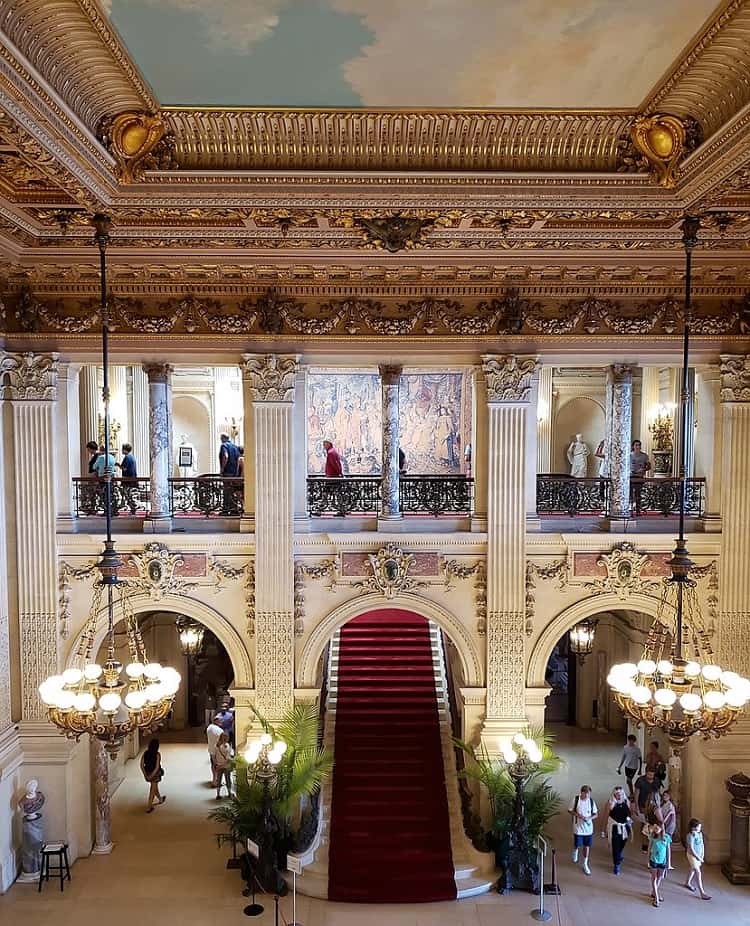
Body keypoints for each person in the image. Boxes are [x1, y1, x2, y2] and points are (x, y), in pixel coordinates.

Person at [569, 784, 597, 875]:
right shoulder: (576, 800)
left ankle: (585, 863)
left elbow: (596, 814)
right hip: (578, 828)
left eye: (589, 795)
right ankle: (575, 850)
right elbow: (570, 810)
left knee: (587, 846)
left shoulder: (592, 801)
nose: (587, 796)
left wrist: (589, 818)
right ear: (582, 793)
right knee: (578, 844)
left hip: (588, 829)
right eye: (586, 794)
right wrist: (578, 815)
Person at [634, 768, 661, 851]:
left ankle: (653, 842)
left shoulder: (656, 780)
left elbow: (658, 792)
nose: (651, 776)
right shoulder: (640, 781)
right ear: (646, 773)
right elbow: (636, 794)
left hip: (654, 806)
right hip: (643, 806)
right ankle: (644, 844)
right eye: (649, 774)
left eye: (652, 775)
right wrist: (636, 806)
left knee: (654, 824)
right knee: (644, 825)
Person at [606, 785, 632, 875]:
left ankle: (619, 853)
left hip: (625, 827)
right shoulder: (611, 803)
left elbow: (629, 813)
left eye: (620, 794)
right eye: (617, 794)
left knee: (623, 843)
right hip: (615, 827)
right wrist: (603, 830)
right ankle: (616, 864)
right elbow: (607, 815)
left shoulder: (626, 802)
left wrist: (629, 820)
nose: (619, 795)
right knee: (615, 846)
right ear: (614, 795)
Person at [685, 818, 711, 900]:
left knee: (692, 869)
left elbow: (702, 845)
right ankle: (702, 893)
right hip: (692, 856)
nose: (700, 828)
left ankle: (687, 883)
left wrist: (702, 855)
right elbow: (691, 848)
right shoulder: (690, 836)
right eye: (699, 827)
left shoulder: (700, 834)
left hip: (699, 856)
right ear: (693, 827)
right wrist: (698, 857)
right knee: (698, 872)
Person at [647, 823, 671, 907]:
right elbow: (649, 849)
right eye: (655, 827)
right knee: (654, 878)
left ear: (662, 828)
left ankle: (654, 892)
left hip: (663, 862)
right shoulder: (652, 837)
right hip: (654, 861)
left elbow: (668, 851)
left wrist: (669, 863)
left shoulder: (666, 838)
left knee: (660, 877)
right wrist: (648, 862)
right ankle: (656, 897)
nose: (656, 829)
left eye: (657, 827)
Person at [140, 738, 166, 813]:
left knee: (155, 787)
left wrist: (145, 775)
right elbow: (157, 767)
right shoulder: (157, 754)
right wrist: (152, 776)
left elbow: (141, 765)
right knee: (152, 789)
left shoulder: (145, 753)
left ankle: (160, 799)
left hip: (147, 772)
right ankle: (149, 806)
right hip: (155, 774)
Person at [617, 733, 642, 799]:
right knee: (628, 781)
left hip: (634, 767)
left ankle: (632, 793)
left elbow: (640, 759)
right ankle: (632, 792)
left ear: (634, 741)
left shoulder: (637, 749)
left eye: (632, 740)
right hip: (627, 766)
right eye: (629, 740)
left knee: (629, 780)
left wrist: (640, 769)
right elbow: (624, 756)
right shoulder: (625, 747)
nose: (631, 742)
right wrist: (620, 766)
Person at [117, 442, 138, 514]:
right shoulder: (131, 457)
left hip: (127, 479)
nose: (121, 451)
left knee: (128, 494)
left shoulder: (127, 457)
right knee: (127, 494)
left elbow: (124, 468)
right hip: (132, 478)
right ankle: (126, 506)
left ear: (125, 449)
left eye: (122, 449)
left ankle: (133, 508)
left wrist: (118, 465)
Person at [660, 789, 676, 871]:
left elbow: (669, 814)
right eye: (664, 795)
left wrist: (662, 822)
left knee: (667, 845)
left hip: (669, 826)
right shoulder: (663, 804)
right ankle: (665, 861)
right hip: (664, 825)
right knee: (664, 844)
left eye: (666, 795)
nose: (665, 797)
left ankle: (668, 863)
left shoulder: (670, 805)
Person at [214, 732, 234, 799]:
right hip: (226, 766)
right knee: (228, 780)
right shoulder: (227, 746)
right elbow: (228, 758)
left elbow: (214, 756)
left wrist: (216, 764)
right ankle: (229, 793)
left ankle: (218, 794)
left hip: (218, 765)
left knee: (219, 780)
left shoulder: (216, 746)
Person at [206, 715, 224, 785]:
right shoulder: (220, 731)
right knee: (219, 766)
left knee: (213, 764)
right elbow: (222, 741)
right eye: (220, 721)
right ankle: (218, 780)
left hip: (211, 749)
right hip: (218, 750)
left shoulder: (209, 728)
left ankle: (214, 779)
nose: (222, 722)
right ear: (216, 721)